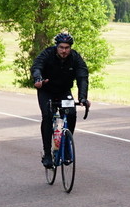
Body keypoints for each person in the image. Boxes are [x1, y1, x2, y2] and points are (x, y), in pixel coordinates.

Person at [31, 31, 91, 168]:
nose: (64, 50)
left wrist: (83, 97)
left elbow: (82, 77)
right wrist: (38, 79)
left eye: (67, 48)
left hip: (64, 91)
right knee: (47, 116)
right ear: (57, 46)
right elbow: (37, 66)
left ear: (70, 48)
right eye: (61, 47)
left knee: (71, 113)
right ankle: (47, 154)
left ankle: (66, 146)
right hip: (46, 90)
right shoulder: (47, 53)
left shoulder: (75, 58)